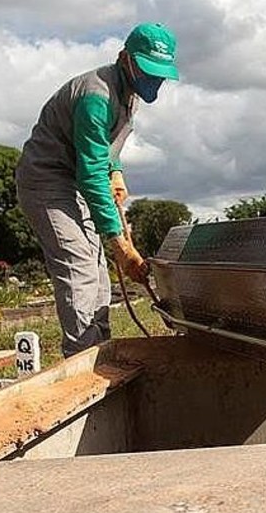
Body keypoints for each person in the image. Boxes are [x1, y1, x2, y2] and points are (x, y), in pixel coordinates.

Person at [16, 23, 178, 358]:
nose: (155, 80)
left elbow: (103, 152)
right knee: (79, 269)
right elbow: (91, 173)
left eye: (160, 73)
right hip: (48, 182)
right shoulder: (96, 96)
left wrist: (116, 172)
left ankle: (102, 353)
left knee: (99, 275)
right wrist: (121, 245)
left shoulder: (127, 94)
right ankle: (80, 362)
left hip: (75, 180)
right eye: (149, 70)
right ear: (125, 58)